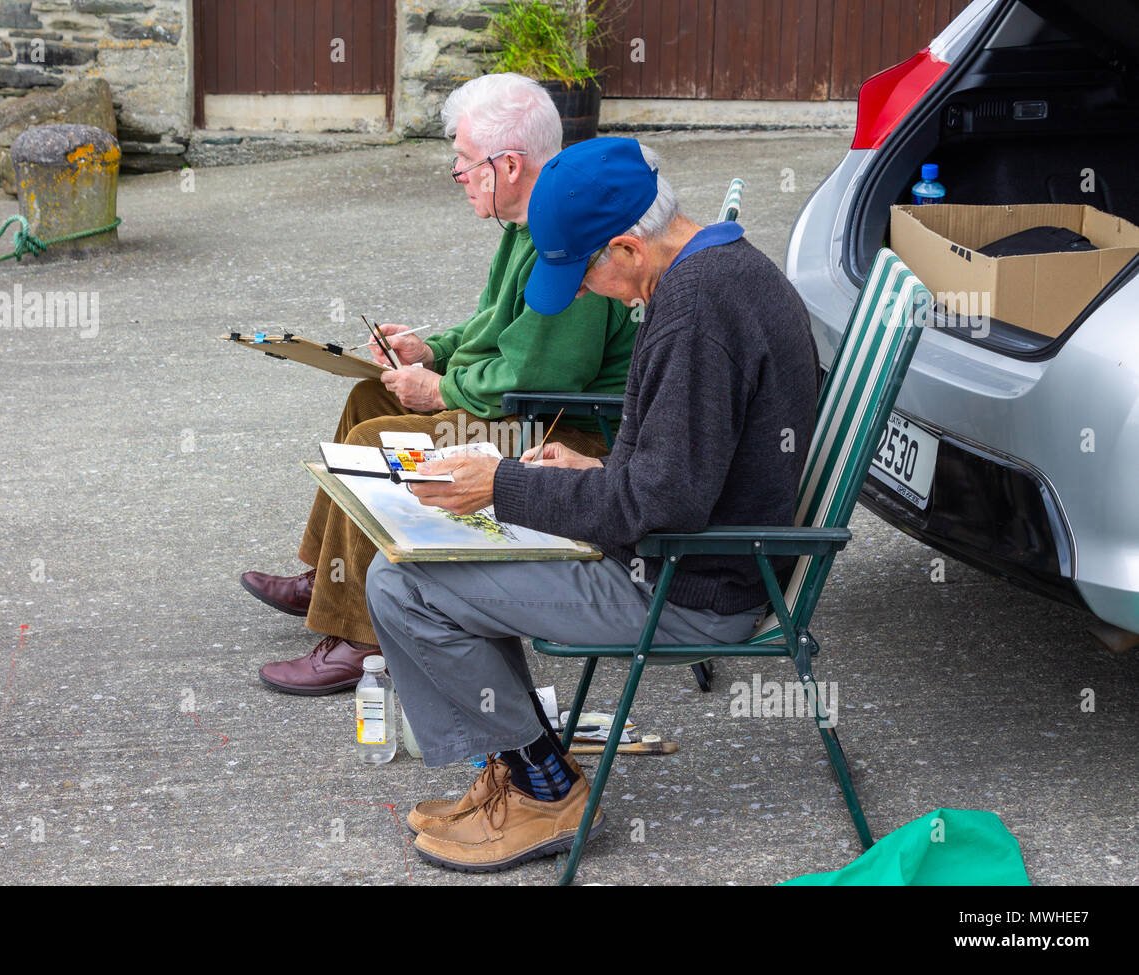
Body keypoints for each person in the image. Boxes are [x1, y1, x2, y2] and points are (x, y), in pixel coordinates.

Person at [364, 137, 820, 873]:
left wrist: (501, 484)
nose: (581, 294)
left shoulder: (696, 310)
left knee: (403, 583)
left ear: (626, 248)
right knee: (419, 565)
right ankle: (520, 771)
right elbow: (684, 467)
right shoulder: (720, 268)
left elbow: (660, 498)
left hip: (687, 586)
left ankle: (543, 786)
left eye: (583, 277)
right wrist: (595, 463)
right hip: (696, 557)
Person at [242, 74, 636, 696]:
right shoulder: (525, 225)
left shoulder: (567, 236)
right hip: (524, 403)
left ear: (506, 165)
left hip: (565, 427)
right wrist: (432, 351)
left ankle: (363, 637)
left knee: (379, 436)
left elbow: (542, 374)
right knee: (369, 394)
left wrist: (443, 392)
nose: (455, 171)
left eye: (461, 158)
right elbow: (492, 329)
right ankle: (331, 575)